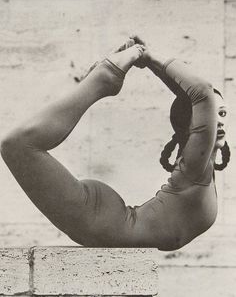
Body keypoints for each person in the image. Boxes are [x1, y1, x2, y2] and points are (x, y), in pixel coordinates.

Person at [0, 36, 230, 251]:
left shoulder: (201, 166)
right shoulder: (194, 167)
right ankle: (102, 78)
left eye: (223, 114)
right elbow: (202, 92)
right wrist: (148, 56)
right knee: (17, 146)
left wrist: (151, 64)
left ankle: (103, 77)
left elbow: (194, 99)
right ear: (192, 127)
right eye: (212, 115)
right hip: (101, 221)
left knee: (19, 146)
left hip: (106, 218)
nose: (218, 122)